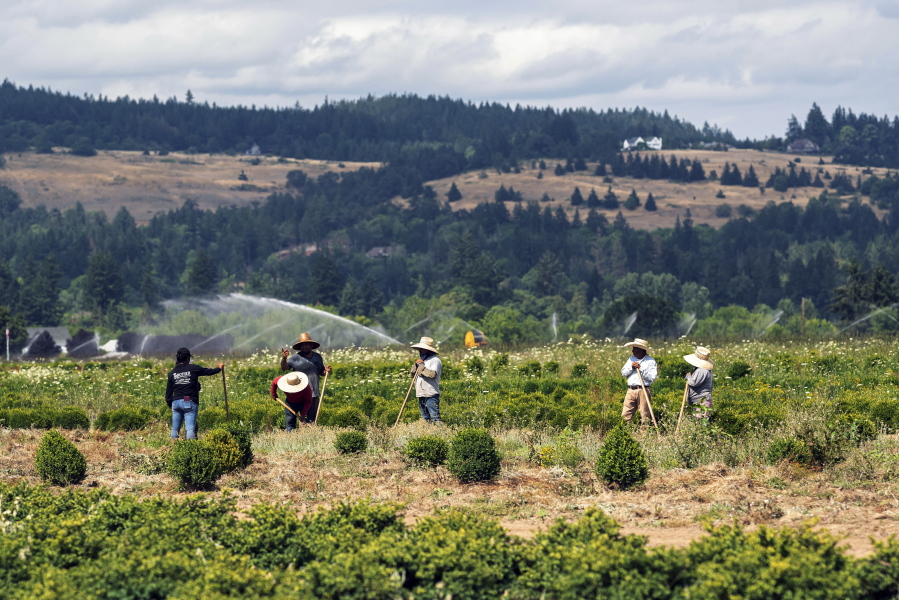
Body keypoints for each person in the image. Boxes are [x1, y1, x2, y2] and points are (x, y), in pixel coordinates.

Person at [165, 347, 224, 440]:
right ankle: (191, 449)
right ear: (188, 358)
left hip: (175, 402)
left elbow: (168, 392)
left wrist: (170, 405)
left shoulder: (172, 372)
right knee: (190, 428)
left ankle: (173, 448)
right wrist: (219, 368)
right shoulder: (193, 368)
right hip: (188, 400)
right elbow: (209, 372)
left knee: (175, 429)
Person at [280, 332, 331, 423]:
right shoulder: (296, 357)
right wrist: (284, 358)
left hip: (314, 393)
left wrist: (326, 371)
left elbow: (321, 372)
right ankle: (300, 434)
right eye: (302, 345)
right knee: (302, 417)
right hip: (301, 393)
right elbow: (284, 368)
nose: (304, 347)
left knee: (312, 419)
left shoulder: (317, 357)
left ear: (311, 345)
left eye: (306, 344)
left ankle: (310, 435)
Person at [620, 338, 658, 424]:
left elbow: (652, 377)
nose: (632, 351)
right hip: (631, 390)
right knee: (626, 413)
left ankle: (644, 434)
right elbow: (623, 373)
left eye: (635, 348)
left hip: (643, 390)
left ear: (641, 350)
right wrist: (631, 367)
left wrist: (641, 369)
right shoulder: (631, 359)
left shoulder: (650, 361)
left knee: (644, 414)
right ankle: (624, 432)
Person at [410, 336, 442, 424]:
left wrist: (421, 366)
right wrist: (416, 366)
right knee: (426, 418)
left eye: (422, 349)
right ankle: (430, 435)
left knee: (435, 417)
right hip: (421, 394)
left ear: (428, 350)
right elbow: (412, 375)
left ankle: (442, 433)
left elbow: (432, 374)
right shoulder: (422, 360)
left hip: (431, 394)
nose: (420, 351)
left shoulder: (435, 360)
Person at [683, 346, 714, 422]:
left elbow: (693, 383)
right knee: (699, 422)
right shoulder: (701, 369)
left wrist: (688, 376)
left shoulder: (702, 370)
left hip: (702, 401)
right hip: (699, 400)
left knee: (702, 423)